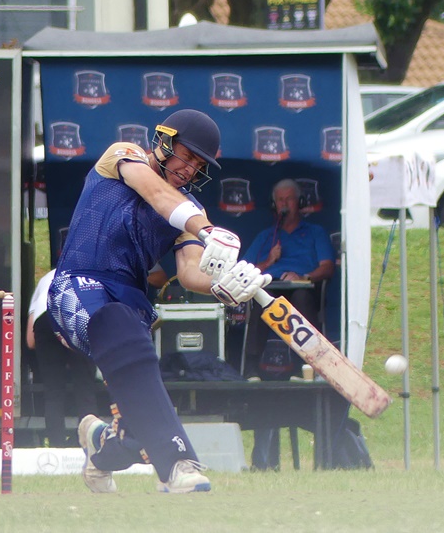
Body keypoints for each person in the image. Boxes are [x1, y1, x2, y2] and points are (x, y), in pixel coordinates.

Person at [47, 108, 270, 493]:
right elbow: (155, 193)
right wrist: (207, 228)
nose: (189, 169)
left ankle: (101, 448)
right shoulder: (122, 156)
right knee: (119, 325)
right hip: (77, 285)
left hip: (129, 304)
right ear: (164, 141)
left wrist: (224, 285)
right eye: (186, 155)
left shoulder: (190, 210)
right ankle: (179, 465)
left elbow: (189, 270)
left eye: (199, 165)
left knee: (140, 436)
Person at [240, 178, 336, 470]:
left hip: (301, 289)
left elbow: (327, 266)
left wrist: (306, 277)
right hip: (271, 286)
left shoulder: (315, 232)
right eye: (279, 200)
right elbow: (244, 269)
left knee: (300, 300)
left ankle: (299, 367)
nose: (284, 205)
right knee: (259, 300)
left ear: (300, 202)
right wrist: (269, 261)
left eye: (289, 200)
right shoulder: (267, 235)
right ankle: (253, 368)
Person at [26, 268, 100, 447]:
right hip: (78, 313)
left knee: (53, 392)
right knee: (85, 388)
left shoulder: (45, 279)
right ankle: (88, 446)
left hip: (45, 319)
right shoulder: (94, 275)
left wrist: (56, 351)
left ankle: (56, 448)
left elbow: (30, 341)